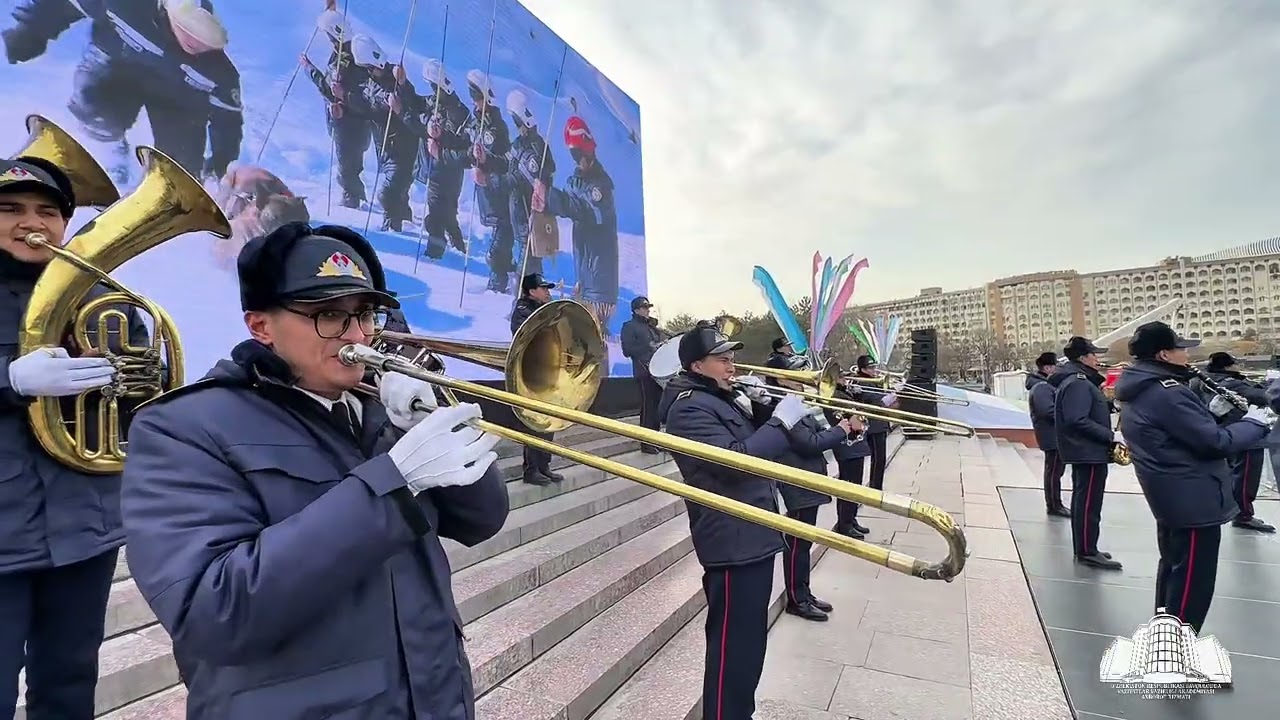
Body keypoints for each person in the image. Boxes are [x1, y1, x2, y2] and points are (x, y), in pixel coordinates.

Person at [120, 221, 509, 718]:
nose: (356, 336)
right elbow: (212, 611)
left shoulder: (380, 410)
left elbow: (483, 520)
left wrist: (435, 426)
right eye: (328, 315)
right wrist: (392, 485)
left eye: (365, 314)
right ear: (261, 326)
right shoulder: (181, 427)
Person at [0, 157, 150, 719]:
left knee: (68, 684)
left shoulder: (99, 298)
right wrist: (11, 379)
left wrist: (133, 382)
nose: (30, 222)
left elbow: (140, 407)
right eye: (9, 210)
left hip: (83, 529)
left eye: (47, 211)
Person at [657, 320, 810, 720]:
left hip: (752, 534)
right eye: (721, 359)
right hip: (731, 541)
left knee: (749, 646)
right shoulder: (689, 408)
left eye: (732, 358)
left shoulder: (719, 398)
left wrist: (763, 407)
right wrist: (781, 420)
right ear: (696, 366)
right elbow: (738, 463)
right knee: (732, 650)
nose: (731, 366)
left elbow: (758, 444)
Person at [1114, 322, 1273, 633]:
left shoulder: (1144, 388)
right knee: (1192, 581)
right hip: (1193, 499)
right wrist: (1254, 423)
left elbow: (1180, 434)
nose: (1186, 354)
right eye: (1180, 348)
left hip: (1173, 496)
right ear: (1164, 354)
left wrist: (1211, 413)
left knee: (1173, 572)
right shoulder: (1168, 393)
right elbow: (1215, 443)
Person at [3, 0, 243, 185]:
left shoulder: (219, 72)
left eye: (203, 43)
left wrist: (222, 161)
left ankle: (174, 198)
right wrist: (29, 30)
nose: (196, 45)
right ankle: (109, 154)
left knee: (181, 168)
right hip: (118, 71)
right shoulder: (126, 4)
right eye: (188, 33)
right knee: (95, 111)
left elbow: (228, 121)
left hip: (177, 102)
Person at [749, 373, 861, 621]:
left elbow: (821, 432)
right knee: (798, 544)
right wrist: (841, 429)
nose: (804, 381)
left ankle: (804, 592)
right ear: (781, 379)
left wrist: (846, 429)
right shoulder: (781, 409)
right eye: (795, 375)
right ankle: (796, 599)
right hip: (798, 481)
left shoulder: (797, 406)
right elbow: (809, 443)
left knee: (806, 543)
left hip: (812, 478)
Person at [533, 114, 619, 330]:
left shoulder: (601, 185)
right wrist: (545, 199)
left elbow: (587, 212)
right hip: (585, 269)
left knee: (597, 330)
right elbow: (571, 203)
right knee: (584, 329)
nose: (578, 159)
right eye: (574, 154)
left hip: (600, 273)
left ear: (590, 149)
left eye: (580, 153)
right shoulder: (576, 181)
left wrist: (551, 196)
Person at [1045, 336, 1122, 570]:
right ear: (1082, 358)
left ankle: (1088, 546)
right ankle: (1087, 550)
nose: (1097, 359)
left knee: (1086, 501)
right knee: (1088, 503)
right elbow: (1077, 419)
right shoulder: (1078, 382)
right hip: (1087, 451)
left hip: (1088, 451)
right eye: (1094, 354)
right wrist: (1111, 436)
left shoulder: (1079, 380)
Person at [1190, 352, 1276, 533]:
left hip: (1224, 433)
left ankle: (1236, 511)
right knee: (1246, 478)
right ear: (1228, 366)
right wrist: (1273, 385)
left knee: (1232, 476)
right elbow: (1261, 397)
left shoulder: (1199, 381)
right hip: (1245, 435)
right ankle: (1243, 515)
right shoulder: (1231, 382)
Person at [510, 272, 563, 485]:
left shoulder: (544, 311)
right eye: (544, 288)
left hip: (546, 371)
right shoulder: (523, 311)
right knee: (534, 423)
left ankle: (544, 465)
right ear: (531, 291)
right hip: (530, 373)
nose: (547, 292)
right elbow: (525, 337)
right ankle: (531, 469)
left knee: (548, 422)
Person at [1027, 352, 1070, 517]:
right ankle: (1054, 504)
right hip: (1051, 436)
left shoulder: (1043, 385)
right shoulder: (1042, 387)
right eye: (1055, 366)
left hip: (1053, 435)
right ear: (1047, 368)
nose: (1058, 369)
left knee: (1055, 471)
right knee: (1053, 472)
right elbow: (1047, 411)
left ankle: (1055, 503)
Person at [620, 295, 663, 453]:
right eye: (645, 308)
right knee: (648, 407)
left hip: (657, 371)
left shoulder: (651, 326)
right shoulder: (629, 326)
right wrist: (649, 347)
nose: (647, 311)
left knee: (657, 407)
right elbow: (627, 350)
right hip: (643, 371)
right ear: (636, 309)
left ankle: (656, 440)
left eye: (648, 308)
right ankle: (646, 442)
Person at [853, 355, 894, 492]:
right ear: (863, 369)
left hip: (879, 423)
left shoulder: (873, 380)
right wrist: (891, 396)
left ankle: (876, 485)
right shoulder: (861, 382)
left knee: (880, 458)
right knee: (878, 458)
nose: (875, 370)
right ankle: (875, 488)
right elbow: (876, 400)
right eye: (871, 368)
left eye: (874, 367)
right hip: (873, 425)